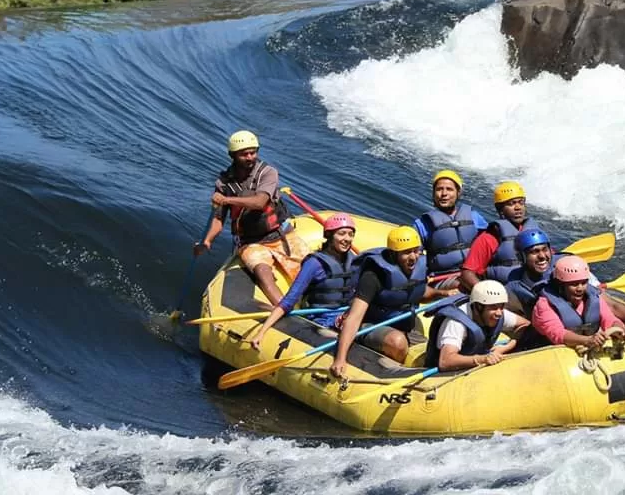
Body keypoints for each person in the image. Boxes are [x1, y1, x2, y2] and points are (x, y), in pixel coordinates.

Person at [194, 130, 310, 306]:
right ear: (232, 155)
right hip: (251, 242)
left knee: (311, 270)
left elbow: (260, 202)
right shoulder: (224, 183)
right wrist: (207, 241)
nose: (249, 157)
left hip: (281, 235)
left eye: (253, 152)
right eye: (244, 154)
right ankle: (284, 311)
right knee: (262, 272)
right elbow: (219, 219)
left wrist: (226, 199)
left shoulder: (268, 173)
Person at [330, 226, 458, 377]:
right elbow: (355, 317)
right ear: (393, 254)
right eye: (406, 252)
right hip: (369, 324)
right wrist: (340, 358)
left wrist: (442, 293)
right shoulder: (374, 275)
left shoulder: (417, 267)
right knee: (397, 342)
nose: (413, 257)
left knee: (432, 348)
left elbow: (419, 291)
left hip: (402, 322)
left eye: (416, 251)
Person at [247, 213, 359, 349]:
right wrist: (261, 332)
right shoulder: (314, 264)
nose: (347, 239)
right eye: (341, 234)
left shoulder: (352, 259)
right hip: (322, 321)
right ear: (329, 236)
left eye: (350, 234)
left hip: (347, 316)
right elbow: (288, 301)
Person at [424, 280, 529, 371]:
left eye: (501, 307)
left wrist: (507, 347)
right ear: (478, 307)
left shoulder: (498, 313)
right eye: (493, 307)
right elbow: (445, 361)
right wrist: (482, 359)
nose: (499, 313)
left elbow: (525, 325)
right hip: (445, 374)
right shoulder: (456, 322)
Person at [531, 255, 625, 350]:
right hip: (552, 352)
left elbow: (609, 318)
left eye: (583, 283)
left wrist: (619, 328)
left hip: (587, 345)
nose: (580, 288)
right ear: (560, 285)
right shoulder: (544, 305)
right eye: (573, 284)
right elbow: (557, 334)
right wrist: (587, 340)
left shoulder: (592, 296)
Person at [460, 181, 543, 291]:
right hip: (506, 294)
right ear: (500, 209)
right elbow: (467, 274)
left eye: (521, 202)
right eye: (511, 203)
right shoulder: (489, 238)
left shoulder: (534, 233)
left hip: (534, 287)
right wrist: (486, 294)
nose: (518, 207)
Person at [412, 170, 488, 287]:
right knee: (467, 286)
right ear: (433, 194)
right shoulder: (422, 224)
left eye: (449, 189)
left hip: (474, 272)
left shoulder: (474, 217)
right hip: (443, 278)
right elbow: (413, 257)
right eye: (439, 189)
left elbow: (490, 244)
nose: (444, 193)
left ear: (458, 193)